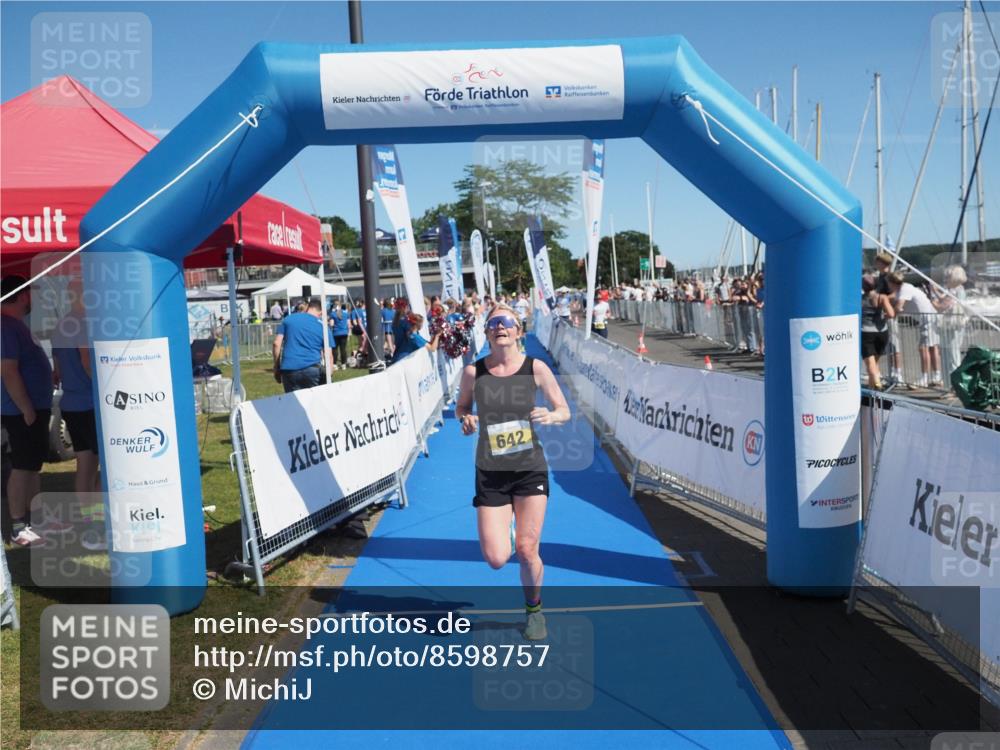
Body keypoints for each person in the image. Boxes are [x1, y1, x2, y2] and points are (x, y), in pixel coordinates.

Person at [455, 304, 570, 641]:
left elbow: (563, 410)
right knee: (495, 558)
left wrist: (552, 416)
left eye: (506, 322)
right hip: (490, 471)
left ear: (518, 330)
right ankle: (503, 528)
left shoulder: (536, 368)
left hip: (529, 469)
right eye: (493, 323)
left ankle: (534, 610)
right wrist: (466, 420)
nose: (499, 327)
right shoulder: (473, 373)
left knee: (526, 549)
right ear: (487, 332)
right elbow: (461, 408)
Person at [1, 276, 55, 546]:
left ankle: (36, 520)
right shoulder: (5, 326)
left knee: (32, 465)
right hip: (21, 410)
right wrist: (26, 408)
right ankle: (18, 526)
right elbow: (8, 371)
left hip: (33, 407)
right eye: (30, 292)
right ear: (22, 295)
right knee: (22, 466)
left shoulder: (15, 325)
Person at [51, 280, 101, 529]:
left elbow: (56, 369)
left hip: (70, 401)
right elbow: (86, 360)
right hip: (90, 402)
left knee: (85, 463)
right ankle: (100, 515)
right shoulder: (84, 323)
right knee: (109, 463)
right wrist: (104, 387)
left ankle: (88, 517)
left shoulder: (61, 325)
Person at [886, 271, 942, 388]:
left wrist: (891, 314)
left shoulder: (905, 289)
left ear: (891, 283)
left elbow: (899, 305)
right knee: (932, 347)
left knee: (924, 348)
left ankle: (924, 378)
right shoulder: (905, 288)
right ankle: (937, 375)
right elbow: (892, 297)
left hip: (927, 319)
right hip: (931, 316)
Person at [272, 299, 333, 392]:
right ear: (321, 312)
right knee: (314, 402)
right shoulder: (323, 326)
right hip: (312, 368)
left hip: (289, 369)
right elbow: (328, 355)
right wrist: (330, 375)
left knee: (293, 403)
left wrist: (276, 367)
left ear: (308, 307)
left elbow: (276, 343)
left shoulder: (288, 319)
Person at [931, 264, 968, 387]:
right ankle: (950, 385)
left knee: (951, 356)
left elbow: (942, 306)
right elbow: (944, 300)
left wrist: (932, 301)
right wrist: (935, 292)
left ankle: (954, 386)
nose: (946, 278)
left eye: (948, 276)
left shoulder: (956, 290)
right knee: (949, 355)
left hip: (952, 326)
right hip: (950, 326)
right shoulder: (957, 289)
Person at [860, 274, 895, 390]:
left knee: (870, 364)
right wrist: (882, 317)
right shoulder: (882, 297)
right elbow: (891, 314)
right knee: (874, 363)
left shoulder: (859, 299)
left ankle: (878, 386)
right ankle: (872, 389)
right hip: (881, 332)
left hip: (866, 333)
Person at [328, 301, 350, 370]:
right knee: (343, 349)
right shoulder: (346, 313)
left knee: (335, 349)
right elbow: (348, 324)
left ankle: (335, 364)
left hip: (336, 333)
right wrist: (348, 333)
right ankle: (343, 364)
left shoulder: (333, 314)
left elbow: (331, 324)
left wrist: (329, 323)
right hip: (344, 333)